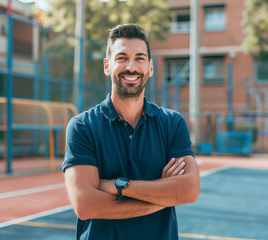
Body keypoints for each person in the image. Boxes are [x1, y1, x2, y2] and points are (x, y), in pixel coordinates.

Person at [63, 23, 200, 240]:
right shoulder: (82, 126)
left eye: (139, 58)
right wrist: (164, 195)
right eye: (122, 58)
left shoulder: (172, 123)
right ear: (107, 66)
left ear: (150, 67)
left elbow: (190, 190)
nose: (131, 67)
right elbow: (86, 205)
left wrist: (117, 186)